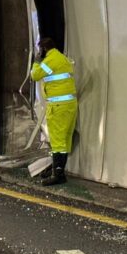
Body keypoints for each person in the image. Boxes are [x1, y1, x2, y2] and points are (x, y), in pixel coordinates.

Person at [30, 37, 78, 186]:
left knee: (57, 141)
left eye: (40, 50)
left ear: (43, 49)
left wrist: (37, 61)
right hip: (70, 105)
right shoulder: (62, 58)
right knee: (65, 139)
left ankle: (58, 174)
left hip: (58, 106)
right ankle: (57, 170)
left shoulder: (50, 60)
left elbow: (35, 75)